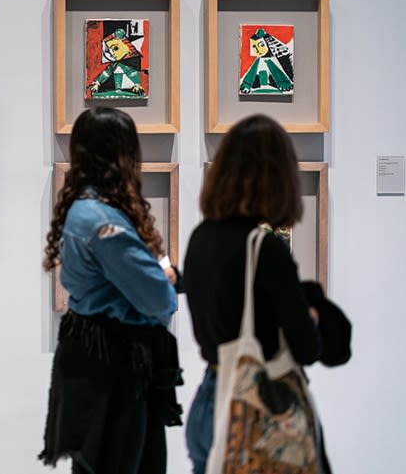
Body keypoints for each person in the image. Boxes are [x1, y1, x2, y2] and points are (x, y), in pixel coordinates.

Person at [39, 107, 182, 474]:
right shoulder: (104, 221)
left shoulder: (84, 208)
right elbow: (158, 299)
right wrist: (165, 279)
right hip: (115, 364)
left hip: (95, 356)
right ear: (122, 154)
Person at [182, 114, 322, 474]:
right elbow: (306, 348)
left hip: (208, 401)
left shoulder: (201, 238)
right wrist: (311, 317)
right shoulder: (264, 249)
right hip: (255, 413)